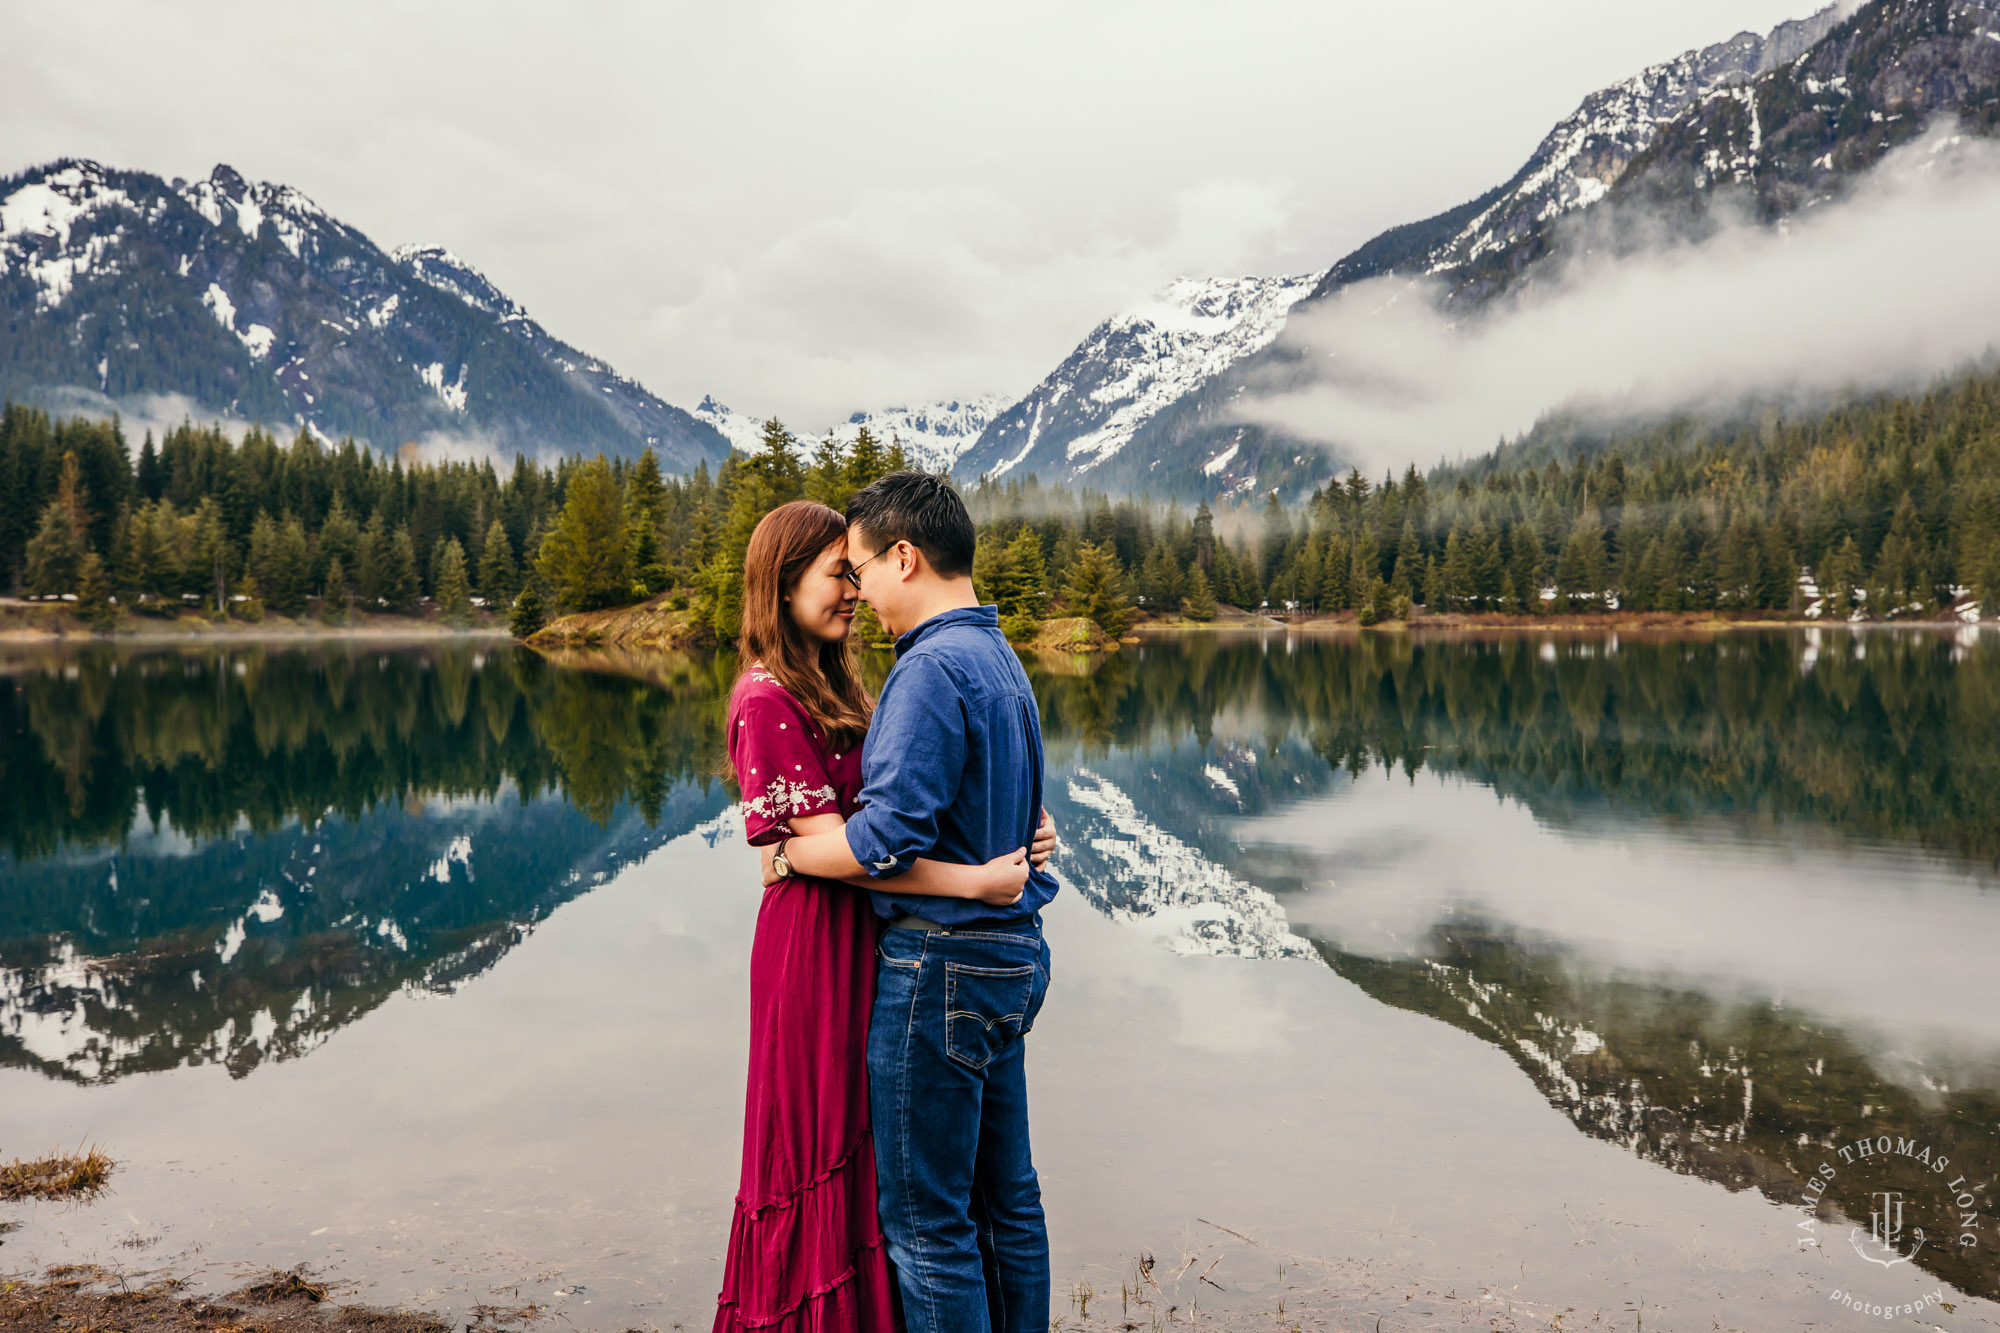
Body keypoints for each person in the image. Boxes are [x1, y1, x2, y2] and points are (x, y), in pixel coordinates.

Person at [713, 499, 1057, 1333]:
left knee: (927, 1202)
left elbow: (882, 836)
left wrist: (793, 853)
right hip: (823, 945)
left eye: (854, 570)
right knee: (898, 1175)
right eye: (838, 574)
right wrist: (981, 871)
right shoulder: (768, 698)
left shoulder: (888, 673)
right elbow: (871, 841)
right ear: (781, 580)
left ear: (901, 558)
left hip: (898, 937)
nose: (854, 592)